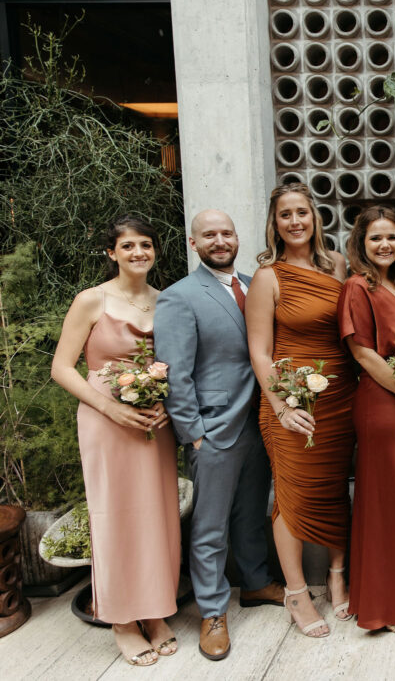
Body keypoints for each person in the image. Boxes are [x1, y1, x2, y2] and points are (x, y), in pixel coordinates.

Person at [154, 209, 283, 661]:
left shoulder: (257, 284)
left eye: (227, 232)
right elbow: (175, 373)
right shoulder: (179, 297)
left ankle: (255, 582)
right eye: (209, 234)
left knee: (252, 509)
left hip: (260, 420)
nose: (220, 240)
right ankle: (211, 612)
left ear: (237, 237)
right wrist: (194, 434)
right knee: (210, 528)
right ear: (194, 244)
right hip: (213, 428)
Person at [50, 215, 179, 666]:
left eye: (146, 244)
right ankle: (123, 620)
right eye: (128, 246)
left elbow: (175, 363)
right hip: (107, 421)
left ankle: (157, 612)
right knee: (115, 515)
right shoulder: (91, 301)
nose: (138, 253)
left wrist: (166, 403)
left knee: (157, 514)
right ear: (112, 253)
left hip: (152, 422)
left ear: (155, 250)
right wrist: (110, 407)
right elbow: (62, 367)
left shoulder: (167, 302)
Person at [246, 183, 354, 638]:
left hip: (339, 399)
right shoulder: (267, 277)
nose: (295, 222)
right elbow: (259, 352)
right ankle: (295, 591)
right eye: (285, 215)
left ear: (315, 218)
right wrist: (281, 406)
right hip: (289, 403)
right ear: (275, 223)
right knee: (290, 495)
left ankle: (336, 573)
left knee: (333, 486)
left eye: (302, 213)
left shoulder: (337, 266)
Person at [338, 205, 395, 633]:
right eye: (375, 238)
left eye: (391, 237)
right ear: (361, 243)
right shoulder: (358, 287)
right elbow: (362, 353)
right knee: (386, 499)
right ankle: (387, 606)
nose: (384, 245)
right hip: (381, 401)